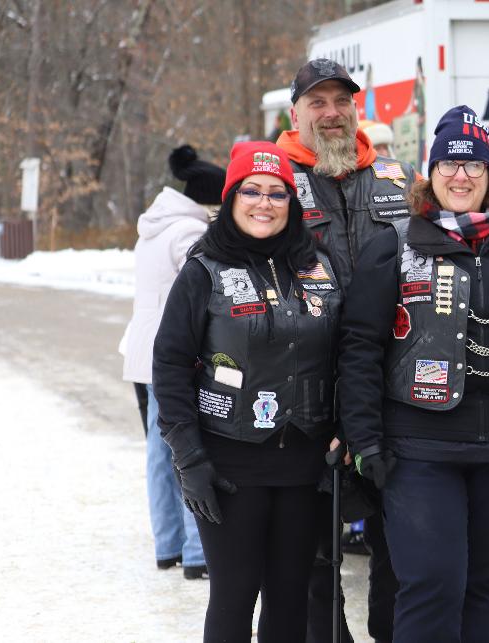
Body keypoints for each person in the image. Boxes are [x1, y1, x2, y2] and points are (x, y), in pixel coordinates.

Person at [338, 104, 489, 643]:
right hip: (420, 448)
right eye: (449, 163)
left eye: (474, 165)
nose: (461, 175)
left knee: (482, 586)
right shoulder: (395, 247)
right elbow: (359, 349)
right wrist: (365, 439)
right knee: (431, 584)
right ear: (431, 173)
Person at [153, 141, 342, 640]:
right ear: (232, 196)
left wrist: (346, 429)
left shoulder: (319, 265)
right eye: (251, 191)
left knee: (290, 599)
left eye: (277, 193)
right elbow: (169, 367)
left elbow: (348, 354)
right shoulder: (203, 269)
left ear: (292, 202)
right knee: (234, 596)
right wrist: (189, 459)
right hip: (230, 465)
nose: (264, 203)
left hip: (305, 466)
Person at [276, 58, 417, 643]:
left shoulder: (399, 178)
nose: (331, 114)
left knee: (398, 546)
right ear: (296, 114)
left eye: (341, 101)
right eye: (318, 103)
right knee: (313, 557)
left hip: (393, 391)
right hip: (302, 395)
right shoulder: (271, 182)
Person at [121, 144, 222, 579]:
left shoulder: (155, 226)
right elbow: (203, 293)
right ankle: (197, 551)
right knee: (184, 449)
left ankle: (167, 544)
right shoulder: (187, 232)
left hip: (141, 351)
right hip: (170, 355)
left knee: (158, 454)